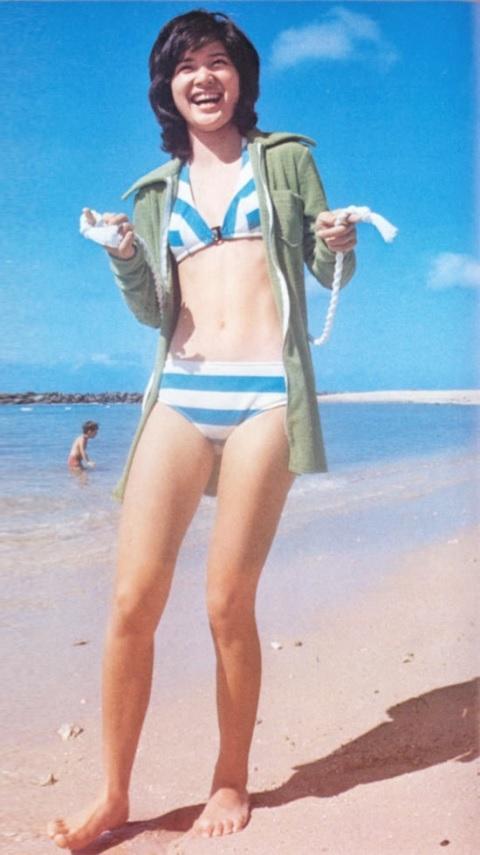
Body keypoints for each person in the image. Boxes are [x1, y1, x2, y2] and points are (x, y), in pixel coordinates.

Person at [48, 9, 357, 849]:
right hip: (181, 393)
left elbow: (326, 265)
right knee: (131, 600)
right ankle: (114, 792)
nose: (204, 78)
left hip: (266, 394)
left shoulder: (285, 159)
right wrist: (123, 257)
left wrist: (337, 239)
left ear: (240, 77)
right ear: (169, 87)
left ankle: (229, 773)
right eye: (187, 67)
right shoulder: (156, 192)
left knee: (225, 599)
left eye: (218, 62)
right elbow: (157, 310)